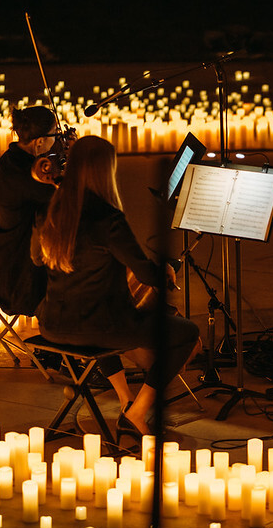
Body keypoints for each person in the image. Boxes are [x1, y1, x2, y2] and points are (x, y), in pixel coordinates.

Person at [33, 136, 200, 439]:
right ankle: (138, 411)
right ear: (104, 171)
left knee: (97, 308)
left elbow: (35, 257)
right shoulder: (107, 218)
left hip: (53, 324)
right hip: (99, 328)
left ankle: (126, 399)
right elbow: (146, 274)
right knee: (186, 333)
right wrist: (164, 269)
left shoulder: (53, 209)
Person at [0, 106, 59, 317]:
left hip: (4, 262)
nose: (57, 140)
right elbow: (58, 195)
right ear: (39, 142)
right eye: (55, 135)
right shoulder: (26, 173)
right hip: (17, 275)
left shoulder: (12, 159)